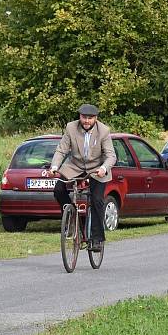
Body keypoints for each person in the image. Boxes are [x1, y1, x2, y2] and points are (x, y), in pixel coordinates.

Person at [44, 103, 116, 251]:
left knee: (97, 200)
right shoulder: (71, 127)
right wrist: (54, 167)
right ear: (79, 117)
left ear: (95, 118)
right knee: (58, 189)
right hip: (75, 166)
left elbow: (111, 156)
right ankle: (72, 218)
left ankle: (96, 239)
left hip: (97, 168)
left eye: (90, 118)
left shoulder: (103, 131)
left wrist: (103, 168)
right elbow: (61, 151)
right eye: (84, 117)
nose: (87, 121)